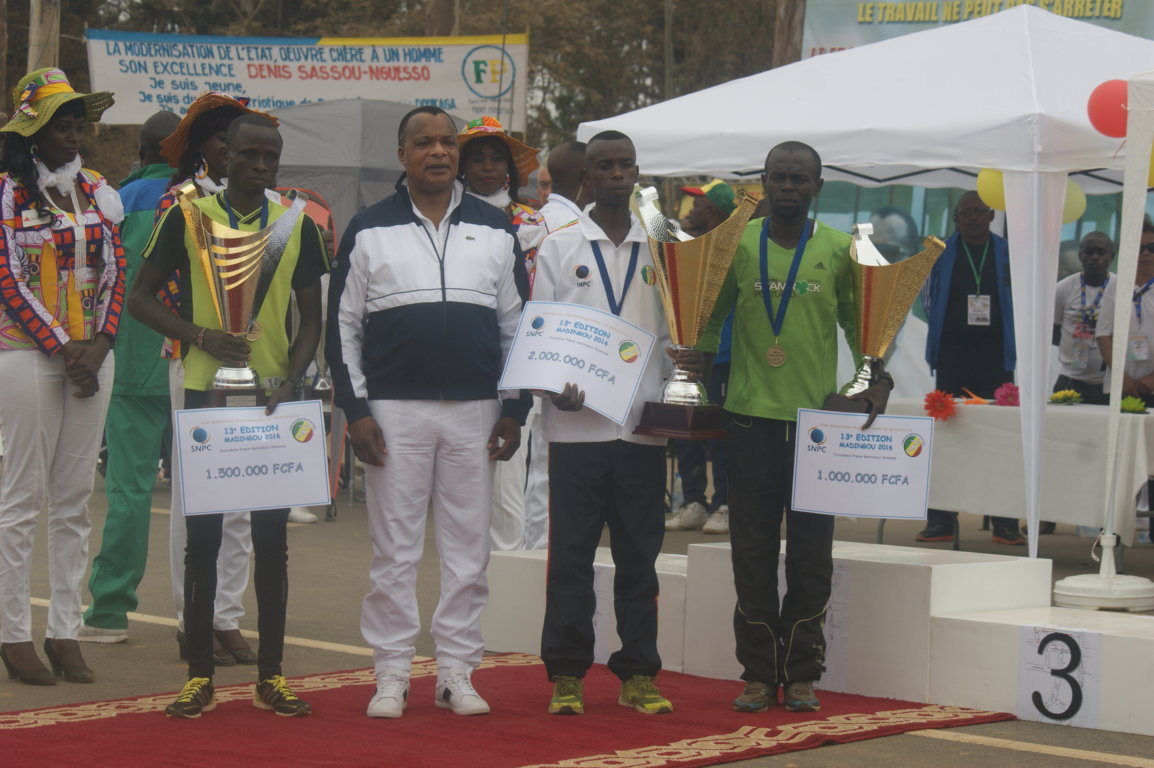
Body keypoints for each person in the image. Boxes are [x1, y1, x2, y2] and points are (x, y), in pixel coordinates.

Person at [327, 105, 528, 719]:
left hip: (476, 410)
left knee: (469, 548)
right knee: (395, 549)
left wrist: (514, 408)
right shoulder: (367, 228)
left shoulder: (497, 229)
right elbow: (342, 327)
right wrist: (355, 409)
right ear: (403, 154)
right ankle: (390, 674)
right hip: (392, 413)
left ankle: (456, 673)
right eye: (424, 143)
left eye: (447, 143)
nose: (438, 152)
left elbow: (518, 324)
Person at [129, 113, 326, 718]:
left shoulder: (298, 225)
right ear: (221, 156)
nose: (261, 165)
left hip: (271, 401)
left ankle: (272, 675)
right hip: (205, 393)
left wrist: (290, 379)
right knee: (204, 541)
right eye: (248, 155)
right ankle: (198, 676)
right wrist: (198, 335)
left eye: (271, 155)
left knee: (272, 541)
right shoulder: (187, 216)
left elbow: (312, 315)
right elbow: (138, 298)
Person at [698, 141, 890, 714]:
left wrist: (875, 379)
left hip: (818, 430)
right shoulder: (738, 244)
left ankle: (802, 671)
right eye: (778, 177)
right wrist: (697, 377)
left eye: (797, 179)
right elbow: (708, 319)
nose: (787, 186)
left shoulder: (839, 249)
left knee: (811, 556)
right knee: (751, 554)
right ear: (763, 181)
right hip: (751, 421)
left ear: (816, 187)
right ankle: (758, 673)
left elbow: (865, 331)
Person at [534, 130, 698, 716]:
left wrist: (689, 357)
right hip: (576, 429)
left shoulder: (664, 248)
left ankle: (639, 675)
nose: (617, 175)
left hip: (641, 428)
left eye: (626, 165)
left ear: (636, 172)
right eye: (605, 166)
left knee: (639, 558)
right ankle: (568, 675)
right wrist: (554, 386)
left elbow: (683, 326)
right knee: (572, 558)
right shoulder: (559, 245)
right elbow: (541, 334)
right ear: (587, 177)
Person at [0, 68, 123, 685]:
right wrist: (61, 345)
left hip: (91, 356)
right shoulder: (7, 192)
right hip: (24, 354)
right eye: (60, 123)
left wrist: (99, 342)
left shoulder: (98, 189)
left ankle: (65, 631)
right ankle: (12, 631)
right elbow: (8, 278)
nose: (73, 133)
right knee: (23, 497)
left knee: (75, 498)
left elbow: (116, 268)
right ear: (32, 132)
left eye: (78, 121)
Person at [156, 93, 272, 666]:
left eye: (239, 138)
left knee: (244, 494)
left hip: (255, 365)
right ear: (203, 147)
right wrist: (204, 332)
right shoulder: (181, 203)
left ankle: (228, 615)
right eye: (221, 138)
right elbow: (166, 286)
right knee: (196, 496)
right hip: (199, 358)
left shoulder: (269, 206)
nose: (230, 148)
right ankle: (191, 618)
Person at [77, 110, 181, 644]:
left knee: (129, 493)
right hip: (195, 363)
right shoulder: (205, 199)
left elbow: (95, 279)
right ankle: (206, 613)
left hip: (131, 366)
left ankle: (110, 613)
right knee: (205, 497)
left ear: (142, 150)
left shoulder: (113, 202)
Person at [457, 116, 545, 552]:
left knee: (509, 486)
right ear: (463, 166)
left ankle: (507, 587)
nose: (487, 167)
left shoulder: (533, 223)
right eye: (477, 159)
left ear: (510, 167)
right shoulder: (446, 217)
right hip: (456, 364)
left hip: (515, 367)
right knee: (458, 493)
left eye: (496, 159)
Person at [920, 191, 1021, 545]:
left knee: (1001, 439)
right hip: (952, 356)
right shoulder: (940, 252)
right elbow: (927, 300)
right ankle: (940, 520)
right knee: (947, 437)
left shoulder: (1009, 252)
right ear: (957, 218)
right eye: (967, 213)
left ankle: (1006, 523)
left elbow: (1020, 300)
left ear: (992, 216)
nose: (974, 218)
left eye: (980, 212)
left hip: (995, 357)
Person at [665, 179, 735, 535]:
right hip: (688, 353)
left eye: (696, 206)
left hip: (723, 357)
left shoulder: (730, 249)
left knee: (720, 434)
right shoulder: (688, 245)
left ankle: (724, 503)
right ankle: (693, 501)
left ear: (711, 212)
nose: (688, 212)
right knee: (685, 427)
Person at [1096, 218, 1154, 406]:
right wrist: (1122, 377)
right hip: (1121, 387)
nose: (1145, 253)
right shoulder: (1115, 286)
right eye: (1139, 248)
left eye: (1151, 247)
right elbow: (1103, 334)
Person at [1054, 231, 1113, 405]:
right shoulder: (1063, 288)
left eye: (1101, 252)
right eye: (1089, 252)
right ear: (1081, 256)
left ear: (1112, 256)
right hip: (1069, 379)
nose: (1095, 257)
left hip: (1106, 381)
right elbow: (1054, 332)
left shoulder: (1121, 287)